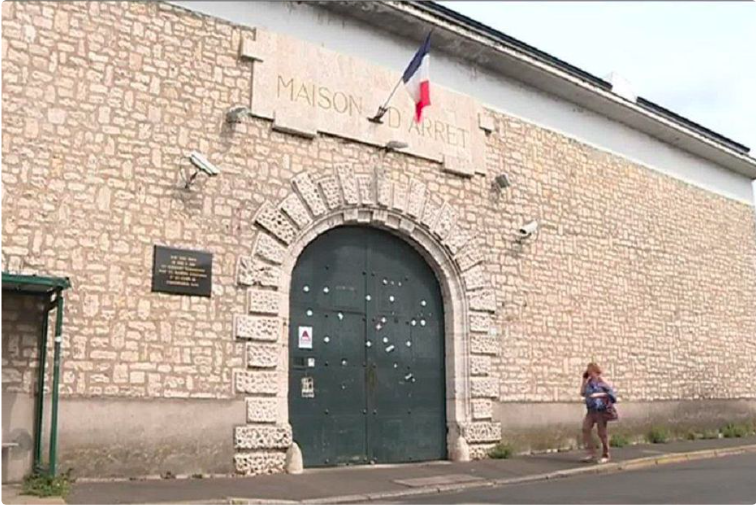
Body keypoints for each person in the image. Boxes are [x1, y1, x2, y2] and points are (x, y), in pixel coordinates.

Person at [580, 362, 616, 463]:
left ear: (595, 371)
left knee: (602, 433)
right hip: (591, 410)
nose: (590, 373)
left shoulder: (602, 381)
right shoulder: (589, 382)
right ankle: (591, 453)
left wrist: (598, 395)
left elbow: (612, 395)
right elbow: (582, 393)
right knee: (585, 429)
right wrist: (583, 380)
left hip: (601, 410)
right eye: (588, 372)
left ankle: (606, 454)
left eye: (591, 371)